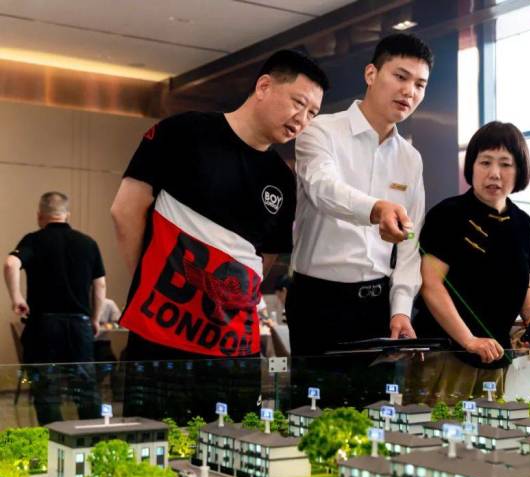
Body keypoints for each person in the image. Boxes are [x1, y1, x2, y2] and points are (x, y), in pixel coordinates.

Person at [110, 50, 328, 420]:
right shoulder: (183, 132)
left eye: (312, 113)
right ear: (263, 86)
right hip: (163, 336)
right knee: (154, 441)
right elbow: (125, 209)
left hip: (235, 348)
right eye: (298, 103)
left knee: (232, 445)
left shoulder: (281, 179)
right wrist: (149, 282)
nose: (302, 120)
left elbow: (265, 258)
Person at [287, 33, 433, 356]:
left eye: (420, 84)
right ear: (371, 74)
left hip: (378, 306)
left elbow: (410, 242)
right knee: (312, 391)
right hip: (317, 302)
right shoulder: (321, 130)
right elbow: (323, 188)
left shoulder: (411, 159)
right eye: (400, 76)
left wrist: (401, 309)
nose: (409, 91)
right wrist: (378, 209)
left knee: (380, 392)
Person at [409, 121, 530, 403]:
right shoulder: (448, 214)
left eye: (505, 164)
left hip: (496, 356)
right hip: (445, 354)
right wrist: (469, 340)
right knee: (433, 428)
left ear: (520, 170)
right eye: (485, 162)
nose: (494, 174)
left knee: (489, 428)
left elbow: (524, 280)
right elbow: (431, 285)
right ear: (472, 167)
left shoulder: (524, 223)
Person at [3, 192, 104, 425]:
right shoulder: (88, 243)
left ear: (40, 216)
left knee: (47, 390)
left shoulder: (33, 240)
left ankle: (54, 438)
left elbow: (10, 263)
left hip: (44, 326)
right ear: (67, 214)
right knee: (86, 389)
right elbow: (100, 285)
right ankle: (93, 438)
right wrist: (95, 319)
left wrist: (17, 298)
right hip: (79, 326)